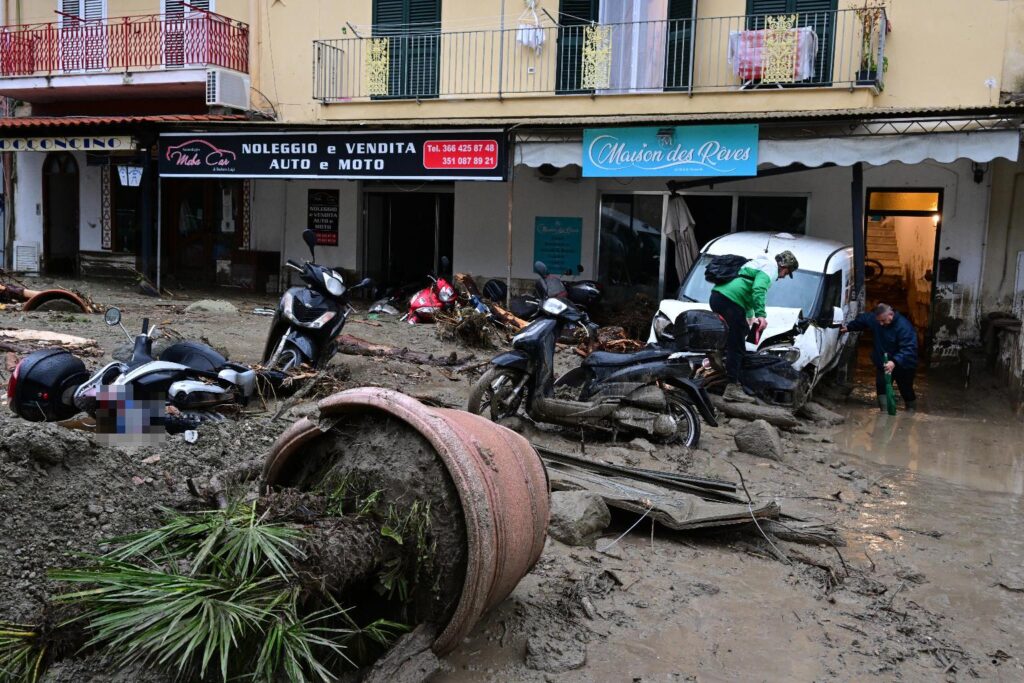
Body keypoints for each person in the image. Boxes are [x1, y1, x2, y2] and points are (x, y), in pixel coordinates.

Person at [709, 250, 799, 403]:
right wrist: (761, 315)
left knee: (739, 333)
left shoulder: (760, 264)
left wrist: (750, 317)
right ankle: (731, 388)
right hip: (731, 300)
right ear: (783, 266)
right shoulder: (770, 268)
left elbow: (747, 290)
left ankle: (719, 357)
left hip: (719, 297)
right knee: (736, 345)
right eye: (786, 272)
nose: (783, 276)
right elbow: (758, 290)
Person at [841, 302, 918, 412]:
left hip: (904, 365)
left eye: (883, 321)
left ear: (891, 315)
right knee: (882, 387)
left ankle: (911, 411)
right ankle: (885, 412)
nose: (881, 324)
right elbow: (863, 320)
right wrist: (848, 328)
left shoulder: (904, 327)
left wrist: (894, 361)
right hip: (884, 363)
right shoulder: (876, 320)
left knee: (906, 389)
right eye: (879, 321)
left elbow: (909, 349)